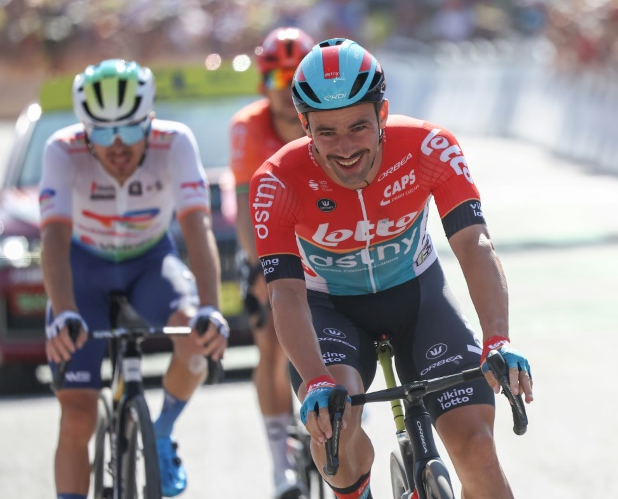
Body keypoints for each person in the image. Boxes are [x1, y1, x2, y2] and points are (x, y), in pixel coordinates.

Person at [249, 38, 534, 498]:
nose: (344, 149)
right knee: (334, 429)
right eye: (326, 133)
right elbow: (285, 292)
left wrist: (498, 337)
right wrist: (317, 380)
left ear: (382, 114)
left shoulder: (428, 146)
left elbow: (473, 243)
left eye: (358, 127)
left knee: (478, 451)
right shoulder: (276, 181)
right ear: (303, 125)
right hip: (330, 310)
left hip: (417, 296)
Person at [40, 58, 229, 499]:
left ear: (151, 120)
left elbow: (197, 228)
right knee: (77, 416)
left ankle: (161, 431)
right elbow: (52, 237)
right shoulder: (60, 149)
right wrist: (63, 311)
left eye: (130, 128)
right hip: (82, 268)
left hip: (150, 261)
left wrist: (210, 307)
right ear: (84, 128)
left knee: (195, 340)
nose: (118, 144)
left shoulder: (175, 142)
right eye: (102, 132)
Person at [229, 26, 315, 499]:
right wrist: (263, 269)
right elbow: (244, 210)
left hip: (319, 242)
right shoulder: (247, 126)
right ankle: (279, 458)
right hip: (265, 243)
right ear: (263, 85)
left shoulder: (326, 118)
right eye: (274, 84)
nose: (284, 96)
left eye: (293, 83)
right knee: (270, 342)